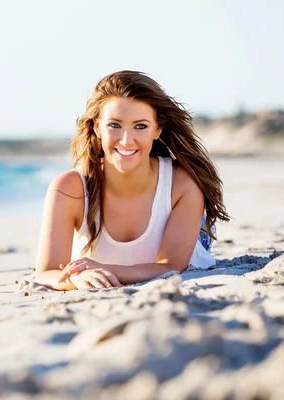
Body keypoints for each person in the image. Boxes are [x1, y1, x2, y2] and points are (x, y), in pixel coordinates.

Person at [34, 71, 229, 290]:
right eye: (115, 125)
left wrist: (106, 269)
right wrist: (74, 279)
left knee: (198, 233)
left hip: (189, 242)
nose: (126, 141)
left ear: (157, 130)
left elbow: (171, 266)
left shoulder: (182, 184)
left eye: (140, 126)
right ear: (97, 127)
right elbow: (45, 273)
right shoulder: (69, 188)